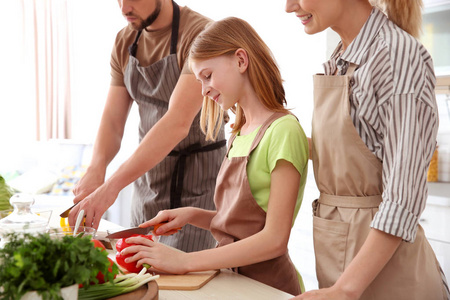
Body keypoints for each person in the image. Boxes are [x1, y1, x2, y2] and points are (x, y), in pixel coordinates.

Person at [118, 17, 309, 295]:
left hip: (269, 287)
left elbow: (274, 239)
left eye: (207, 76)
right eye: (199, 81)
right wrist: (193, 215)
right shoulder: (239, 132)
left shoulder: (283, 131)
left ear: (241, 60)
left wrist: (185, 261)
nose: (204, 89)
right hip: (234, 281)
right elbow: (241, 225)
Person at [285, 0, 450, 299]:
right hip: (340, 266)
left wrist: (346, 290)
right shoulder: (341, 58)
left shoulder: (398, 56)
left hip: (391, 279)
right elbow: (348, 152)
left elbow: (402, 199)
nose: (288, 6)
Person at [68, 0, 227, 253]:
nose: (123, 9)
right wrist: (96, 169)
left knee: (189, 282)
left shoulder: (200, 34)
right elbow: (112, 120)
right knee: (140, 273)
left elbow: (177, 122)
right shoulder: (125, 41)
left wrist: (111, 187)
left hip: (199, 185)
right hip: (148, 183)